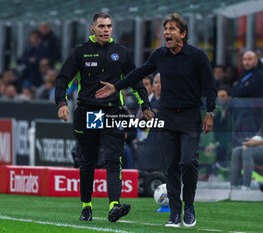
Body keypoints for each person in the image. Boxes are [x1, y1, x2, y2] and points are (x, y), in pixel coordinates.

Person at [96, 13, 216, 228]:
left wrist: (210, 113)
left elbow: (210, 85)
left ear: (183, 33)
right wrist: (116, 86)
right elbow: (139, 73)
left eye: (172, 29)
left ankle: (189, 206)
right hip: (168, 117)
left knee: (188, 162)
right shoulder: (160, 55)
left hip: (190, 117)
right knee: (170, 166)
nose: (167, 32)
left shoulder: (197, 56)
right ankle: (174, 213)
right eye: (165, 28)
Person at [55, 12, 153, 222]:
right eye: (101, 26)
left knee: (113, 160)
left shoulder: (121, 52)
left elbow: (136, 81)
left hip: (112, 112)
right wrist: (62, 103)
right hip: (88, 112)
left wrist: (145, 104)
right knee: (88, 161)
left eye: (109, 26)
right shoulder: (80, 52)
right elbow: (63, 78)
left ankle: (114, 206)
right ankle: (86, 205)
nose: (106, 30)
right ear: (93, 29)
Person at [230, 85, 263, 189]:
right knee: (237, 151)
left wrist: (258, 143)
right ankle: (234, 186)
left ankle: (246, 187)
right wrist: (250, 143)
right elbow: (261, 133)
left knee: (248, 152)